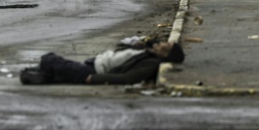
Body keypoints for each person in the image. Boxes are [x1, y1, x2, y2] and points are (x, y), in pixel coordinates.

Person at [20, 39, 185, 86]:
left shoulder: (151, 63)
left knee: (49, 59)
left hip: (93, 72)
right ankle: (42, 75)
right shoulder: (150, 53)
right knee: (57, 66)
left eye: (166, 45)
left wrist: (94, 79)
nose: (163, 42)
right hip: (93, 65)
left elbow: (127, 78)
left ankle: (41, 75)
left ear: (166, 53)